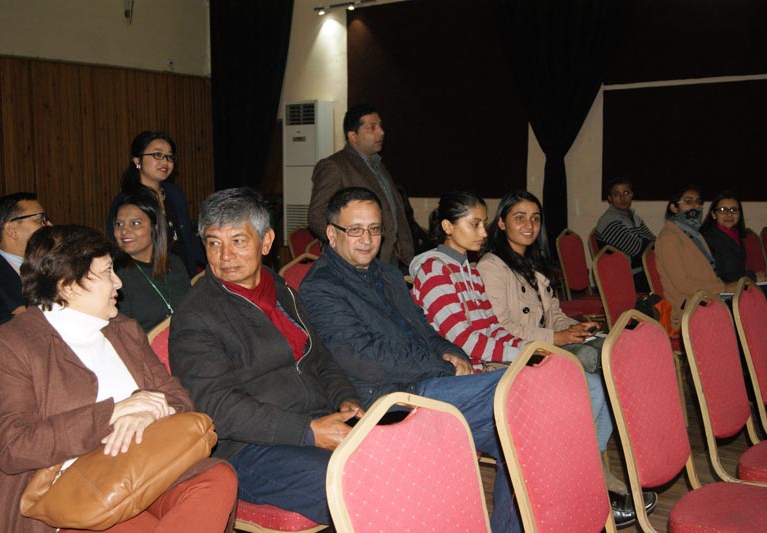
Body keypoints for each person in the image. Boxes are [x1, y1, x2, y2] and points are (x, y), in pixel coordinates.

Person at [0, 225, 237, 533]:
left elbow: (179, 400)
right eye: (107, 272)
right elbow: (12, 446)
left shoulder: (123, 330)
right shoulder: (10, 346)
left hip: (145, 467)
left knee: (217, 478)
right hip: (67, 493)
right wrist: (112, 414)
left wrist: (148, 412)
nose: (118, 282)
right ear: (69, 285)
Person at [300, 187, 521, 533]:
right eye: (355, 230)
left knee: (518, 434)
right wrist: (444, 367)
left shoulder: (387, 274)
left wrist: (454, 353)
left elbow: (424, 329)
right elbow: (364, 358)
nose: (367, 240)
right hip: (385, 397)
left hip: (424, 383)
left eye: (374, 229)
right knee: (516, 391)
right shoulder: (321, 287)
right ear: (331, 233)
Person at [168, 188, 363, 526]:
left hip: (313, 418)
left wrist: (345, 399)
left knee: (399, 455)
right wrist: (308, 431)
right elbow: (218, 407)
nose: (225, 256)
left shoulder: (279, 289)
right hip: (246, 448)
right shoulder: (196, 316)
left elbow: (319, 359)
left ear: (266, 241)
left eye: (238, 241)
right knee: (354, 483)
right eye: (214, 243)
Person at [473, 190, 657, 526]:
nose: (529, 225)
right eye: (519, 217)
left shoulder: (532, 264)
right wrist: (557, 338)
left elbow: (553, 314)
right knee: (589, 384)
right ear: (501, 223)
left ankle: (592, 465)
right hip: (511, 358)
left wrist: (575, 328)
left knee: (608, 377)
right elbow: (500, 326)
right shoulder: (492, 266)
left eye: (535, 218)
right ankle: (582, 474)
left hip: (543, 351)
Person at [408, 191, 526, 369]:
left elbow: (492, 328)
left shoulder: (473, 274)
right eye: (475, 224)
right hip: (457, 372)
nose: (484, 233)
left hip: (484, 367)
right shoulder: (434, 272)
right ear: (448, 227)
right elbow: (462, 339)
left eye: (484, 224)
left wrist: (527, 347)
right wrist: (520, 355)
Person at [307, 104, 414, 267]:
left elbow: (393, 211)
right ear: (353, 136)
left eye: (380, 126)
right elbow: (316, 216)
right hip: (354, 262)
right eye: (372, 128)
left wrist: (407, 256)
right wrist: (347, 246)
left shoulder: (378, 165)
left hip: (388, 258)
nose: (381, 132)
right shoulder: (334, 166)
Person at [106, 130, 205, 276]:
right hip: (148, 277)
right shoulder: (126, 201)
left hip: (183, 274)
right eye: (157, 155)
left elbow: (187, 238)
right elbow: (120, 247)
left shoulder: (174, 194)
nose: (165, 162)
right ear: (137, 160)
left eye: (169, 157)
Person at [0, 192, 51, 348]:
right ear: (11, 229)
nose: (49, 225)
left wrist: (25, 315)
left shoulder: (60, 263)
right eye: (40, 220)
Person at [655, 185, 738, 330]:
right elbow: (682, 284)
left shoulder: (694, 234)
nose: (696, 206)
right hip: (688, 307)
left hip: (707, 298)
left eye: (698, 202)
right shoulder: (669, 238)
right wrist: (723, 288)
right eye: (688, 202)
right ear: (674, 208)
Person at [113, 190, 191, 332]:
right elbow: (125, 334)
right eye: (119, 224)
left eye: (135, 223)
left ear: (155, 227)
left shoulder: (175, 263)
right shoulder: (114, 275)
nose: (124, 231)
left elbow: (192, 311)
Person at [595, 177, 656, 293]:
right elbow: (638, 250)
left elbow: (654, 242)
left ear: (632, 195)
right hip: (622, 278)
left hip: (639, 271)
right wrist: (645, 243)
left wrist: (646, 244)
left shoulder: (634, 217)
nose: (622, 198)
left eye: (626, 193)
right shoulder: (608, 221)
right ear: (610, 198)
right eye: (617, 194)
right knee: (668, 277)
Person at [700, 190, 766, 283]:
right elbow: (720, 276)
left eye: (734, 210)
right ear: (713, 214)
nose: (729, 214)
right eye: (722, 210)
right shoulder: (709, 239)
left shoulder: (738, 236)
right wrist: (753, 277)